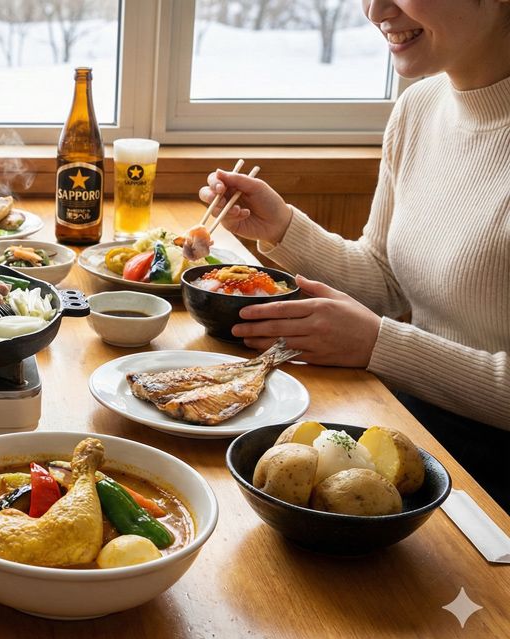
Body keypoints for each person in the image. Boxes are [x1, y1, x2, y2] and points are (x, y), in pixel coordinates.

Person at [199, 0, 510, 506]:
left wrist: (380, 346)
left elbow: (381, 330)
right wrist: (283, 228)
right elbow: (386, 281)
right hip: (405, 427)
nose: (375, 9)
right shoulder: (421, 105)